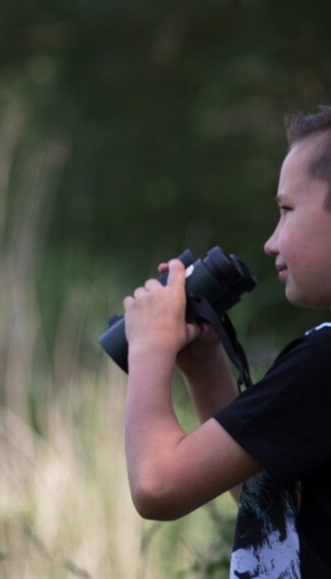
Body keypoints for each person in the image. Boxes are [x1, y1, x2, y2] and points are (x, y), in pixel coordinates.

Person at [122, 106, 331, 576]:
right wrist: (205, 365)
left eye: (286, 211)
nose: (271, 242)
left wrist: (148, 348)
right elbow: (264, 491)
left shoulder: (323, 361)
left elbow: (157, 485)